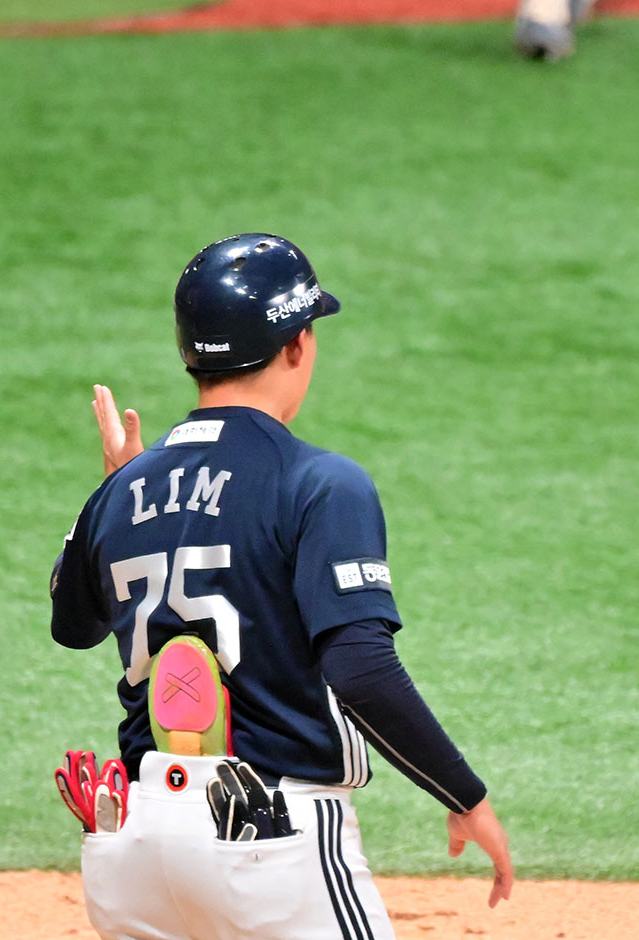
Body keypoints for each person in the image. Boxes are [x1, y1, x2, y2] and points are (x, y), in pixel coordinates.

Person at [51, 233, 513, 940]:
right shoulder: (321, 482)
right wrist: (464, 795)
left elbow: (70, 620)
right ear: (297, 343)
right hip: (269, 846)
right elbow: (360, 668)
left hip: (134, 850)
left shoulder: (120, 491)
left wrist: (118, 488)